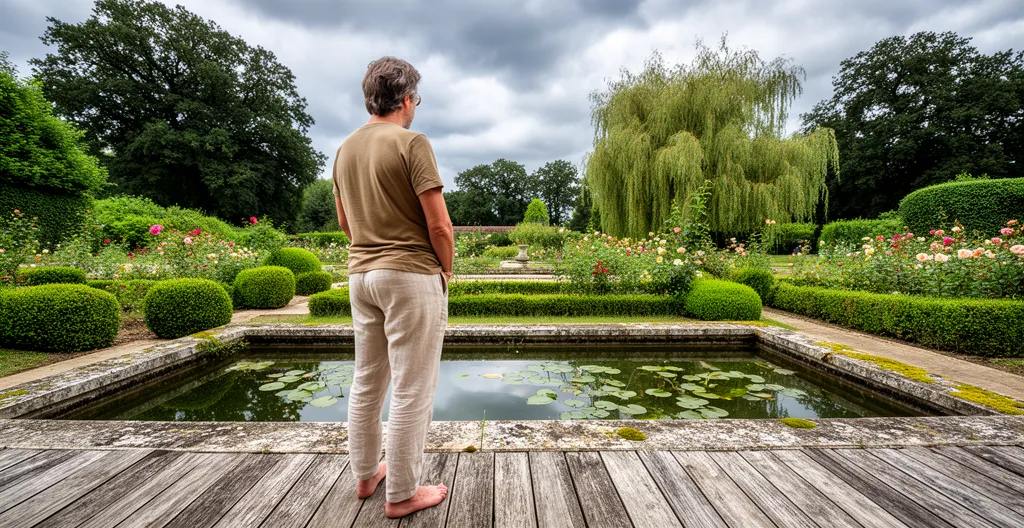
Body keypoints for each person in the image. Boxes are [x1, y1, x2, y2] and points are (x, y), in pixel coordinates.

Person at [332, 56, 453, 519]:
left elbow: (345, 221)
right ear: (406, 99)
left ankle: (367, 475)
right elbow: (439, 225)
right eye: (415, 98)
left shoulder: (344, 149)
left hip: (361, 275)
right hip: (409, 274)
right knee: (411, 387)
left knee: (367, 380)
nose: (415, 106)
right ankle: (402, 493)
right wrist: (445, 272)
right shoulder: (412, 142)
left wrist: (368, 250)